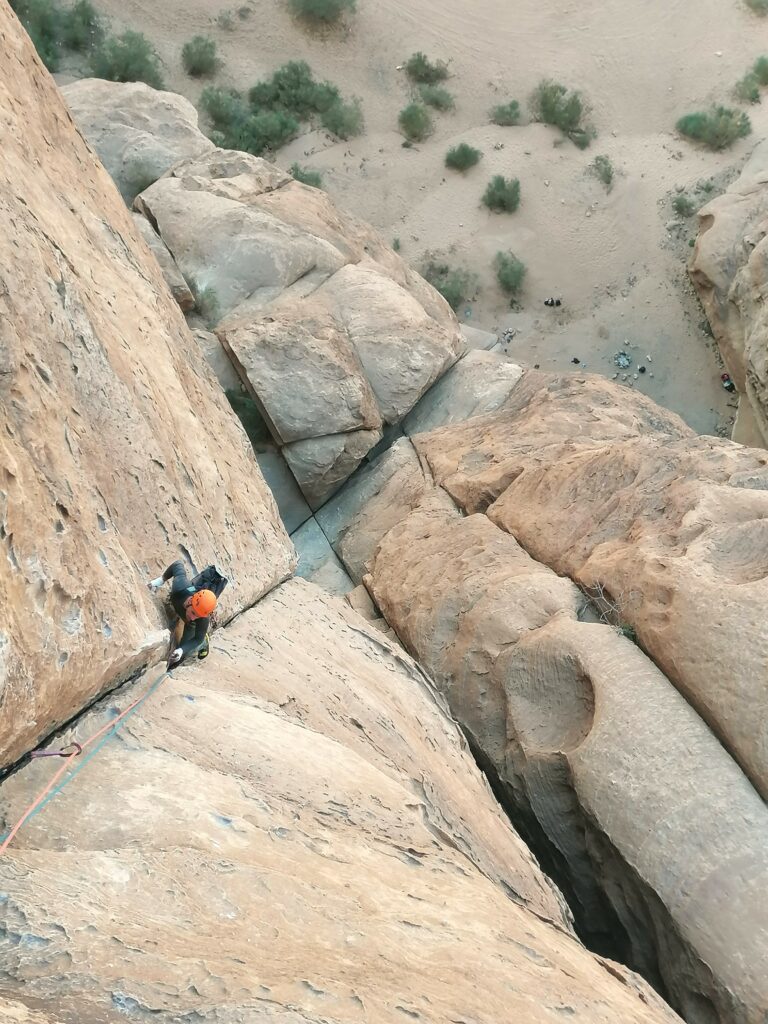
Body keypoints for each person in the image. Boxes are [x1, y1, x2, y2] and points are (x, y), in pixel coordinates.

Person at [148, 561, 218, 667]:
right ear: (190, 601)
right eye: (194, 612)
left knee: (182, 655)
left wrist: (181, 650)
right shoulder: (181, 587)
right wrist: (160, 580)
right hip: (179, 603)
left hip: (191, 626)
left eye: (197, 616)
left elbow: (197, 639)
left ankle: (204, 642)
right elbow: (177, 565)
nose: (193, 618)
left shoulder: (202, 618)